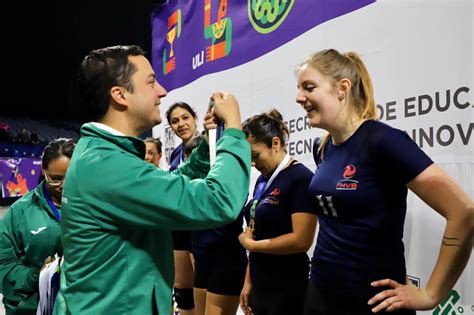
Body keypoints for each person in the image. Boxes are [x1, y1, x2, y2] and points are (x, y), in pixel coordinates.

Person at [53, 45, 251, 315]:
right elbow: (219, 200)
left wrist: (208, 142)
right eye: (151, 82)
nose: (162, 91)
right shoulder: (109, 166)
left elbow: (169, 183)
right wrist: (234, 130)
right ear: (120, 95)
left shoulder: (102, 155)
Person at [295, 49, 473, 315]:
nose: (299, 98)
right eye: (298, 89)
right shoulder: (322, 148)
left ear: (343, 88)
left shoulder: (383, 141)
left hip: (374, 301)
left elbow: (463, 212)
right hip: (320, 293)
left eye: (308, 87)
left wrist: (431, 293)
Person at [238, 109, 317, 315]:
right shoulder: (262, 180)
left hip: (288, 286)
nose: (253, 164)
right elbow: (256, 231)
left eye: (255, 155)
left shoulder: (300, 178)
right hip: (260, 282)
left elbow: (301, 240)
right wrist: (248, 281)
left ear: (275, 143)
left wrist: (254, 245)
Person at [0, 138, 75, 315]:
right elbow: (3, 263)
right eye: (55, 179)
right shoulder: (21, 211)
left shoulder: (95, 207)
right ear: (43, 169)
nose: (63, 186)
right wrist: (37, 276)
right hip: (32, 308)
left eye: (71, 177)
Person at [184, 133, 248, 315]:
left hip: (226, 260)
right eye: (189, 161)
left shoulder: (227, 184)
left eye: (196, 161)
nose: (192, 168)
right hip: (202, 259)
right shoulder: (193, 187)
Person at [165, 102, 201, 315]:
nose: (181, 124)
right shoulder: (176, 153)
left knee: (201, 285)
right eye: (175, 121)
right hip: (179, 225)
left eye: (185, 118)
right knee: (182, 289)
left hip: (200, 224)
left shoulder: (208, 145)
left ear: (194, 118)